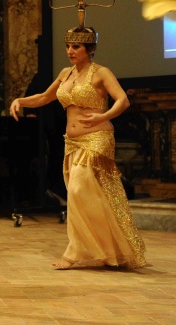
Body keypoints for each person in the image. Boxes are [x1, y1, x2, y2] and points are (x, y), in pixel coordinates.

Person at [9, 29, 146, 270]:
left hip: (97, 138)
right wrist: (20, 101)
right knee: (86, 196)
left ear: (90, 49)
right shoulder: (66, 73)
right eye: (68, 46)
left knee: (78, 187)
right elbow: (44, 97)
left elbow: (123, 100)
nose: (70, 51)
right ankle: (110, 250)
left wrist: (103, 115)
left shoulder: (101, 73)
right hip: (72, 142)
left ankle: (74, 253)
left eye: (76, 47)